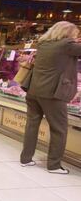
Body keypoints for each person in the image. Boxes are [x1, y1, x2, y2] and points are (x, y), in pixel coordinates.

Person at [20, 21, 81, 174]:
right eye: (75, 34)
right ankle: (54, 165)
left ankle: (26, 159)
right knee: (59, 129)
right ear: (67, 33)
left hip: (34, 90)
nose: (76, 37)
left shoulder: (43, 43)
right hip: (53, 94)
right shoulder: (67, 45)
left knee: (32, 125)